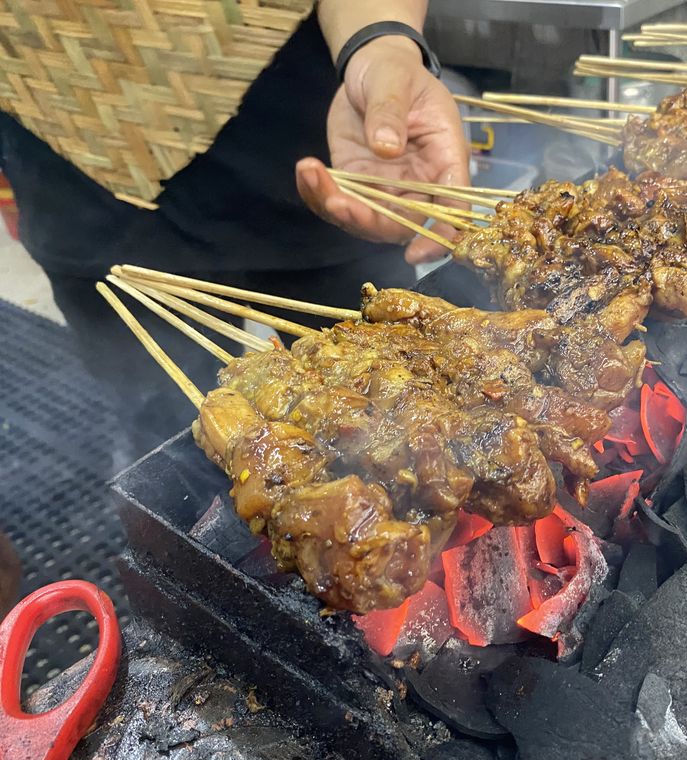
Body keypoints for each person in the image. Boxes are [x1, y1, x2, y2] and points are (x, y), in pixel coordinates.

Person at [0, 0, 469, 457]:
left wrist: (379, 42)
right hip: (90, 203)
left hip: (328, 173)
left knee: (406, 405)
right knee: (170, 445)